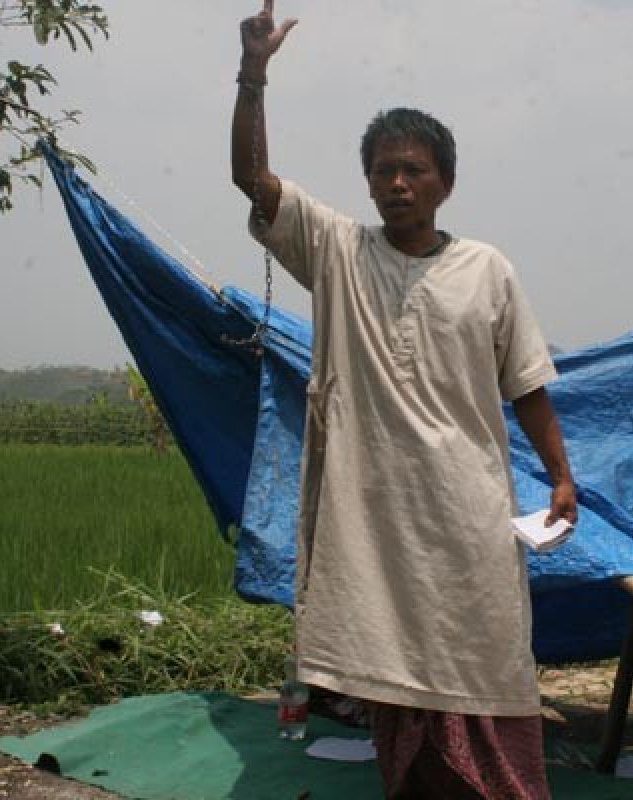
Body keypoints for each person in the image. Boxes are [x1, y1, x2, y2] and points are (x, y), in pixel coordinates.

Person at [231, 3, 577, 797]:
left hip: (468, 519)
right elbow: (253, 180)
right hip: (376, 529)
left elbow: (525, 383)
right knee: (394, 695)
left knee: (488, 675)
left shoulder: (488, 270)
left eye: (413, 169)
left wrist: (560, 474)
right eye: (384, 169)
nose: (396, 183)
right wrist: (254, 75)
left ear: (444, 182)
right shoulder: (339, 250)